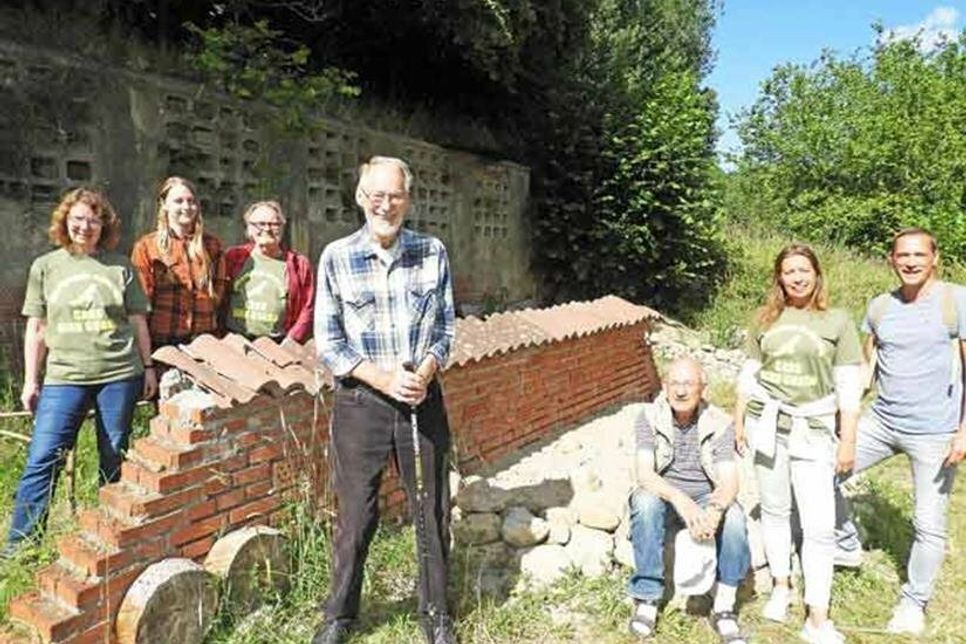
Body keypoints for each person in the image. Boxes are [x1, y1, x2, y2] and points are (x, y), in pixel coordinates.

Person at [312, 156, 456, 644]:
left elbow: (445, 330)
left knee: (431, 509)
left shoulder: (432, 251)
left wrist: (426, 371)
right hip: (361, 403)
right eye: (377, 194)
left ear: (408, 200)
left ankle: (437, 615)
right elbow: (329, 343)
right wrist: (380, 378)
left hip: (422, 398)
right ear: (360, 197)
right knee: (357, 513)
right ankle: (339, 616)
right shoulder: (335, 256)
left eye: (395, 195)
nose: (386, 204)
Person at [3, 188, 156, 558]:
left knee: (114, 453)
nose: (85, 227)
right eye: (78, 220)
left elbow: (137, 321)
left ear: (104, 225)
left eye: (93, 220)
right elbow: (36, 328)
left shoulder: (120, 266)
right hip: (64, 376)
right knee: (43, 456)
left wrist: (148, 367)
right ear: (65, 222)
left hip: (119, 373)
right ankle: (20, 547)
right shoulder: (46, 266)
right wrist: (30, 380)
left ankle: (111, 539)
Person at [835, 228, 966, 635]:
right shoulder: (879, 307)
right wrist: (847, 417)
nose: (910, 262)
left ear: (934, 257)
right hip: (883, 421)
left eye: (918, 255)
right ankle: (847, 544)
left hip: (936, 432)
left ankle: (914, 603)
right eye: (902, 255)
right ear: (891, 259)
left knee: (929, 524)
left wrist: (964, 431)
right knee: (820, 472)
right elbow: (868, 366)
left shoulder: (955, 301)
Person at [734, 244, 862, 644]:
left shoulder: (837, 321)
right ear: (779, 278)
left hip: (815, 430)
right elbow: (750, 375)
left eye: (803, 270)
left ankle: (817, 617)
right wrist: (739, 421)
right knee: (774, 509)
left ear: (817, 274)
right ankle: (781, 585)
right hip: (768, 424)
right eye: (789, 271)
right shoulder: (764, 319)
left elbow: (848, 387)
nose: (797, 277)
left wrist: (848, 441)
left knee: (819, 525)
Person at [628, 357, 750, 643]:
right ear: (665, 386)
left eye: (688, 383)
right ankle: (647, 597)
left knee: (734, 518)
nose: (680, 391)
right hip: (663, 491)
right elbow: (645, 474)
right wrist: (681, 500)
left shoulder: (720, 423)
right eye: (674, 383)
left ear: (702, 387)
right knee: (644, 503)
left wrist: (717, 508)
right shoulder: (649, 417)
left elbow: (730, 479)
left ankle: (723, 606)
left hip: (705, 492)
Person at [131, 176, 227, 348]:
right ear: (164, 205)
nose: (186, 207)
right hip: (162, 342)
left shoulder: (212, 246)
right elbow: (141, 304)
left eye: (191, 201)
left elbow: (218, 296)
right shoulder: (147, 247)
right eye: (178, 201)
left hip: (204, 343)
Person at [223, 200, 314, 343]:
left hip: (278, 343)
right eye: (260, 224)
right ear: (249, 228)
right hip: (235, 341)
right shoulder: (234, 257)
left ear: (283, 227)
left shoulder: (299, 264)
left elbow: (307, 308)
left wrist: (291, 341)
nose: (267, 229)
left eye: (274, 224)